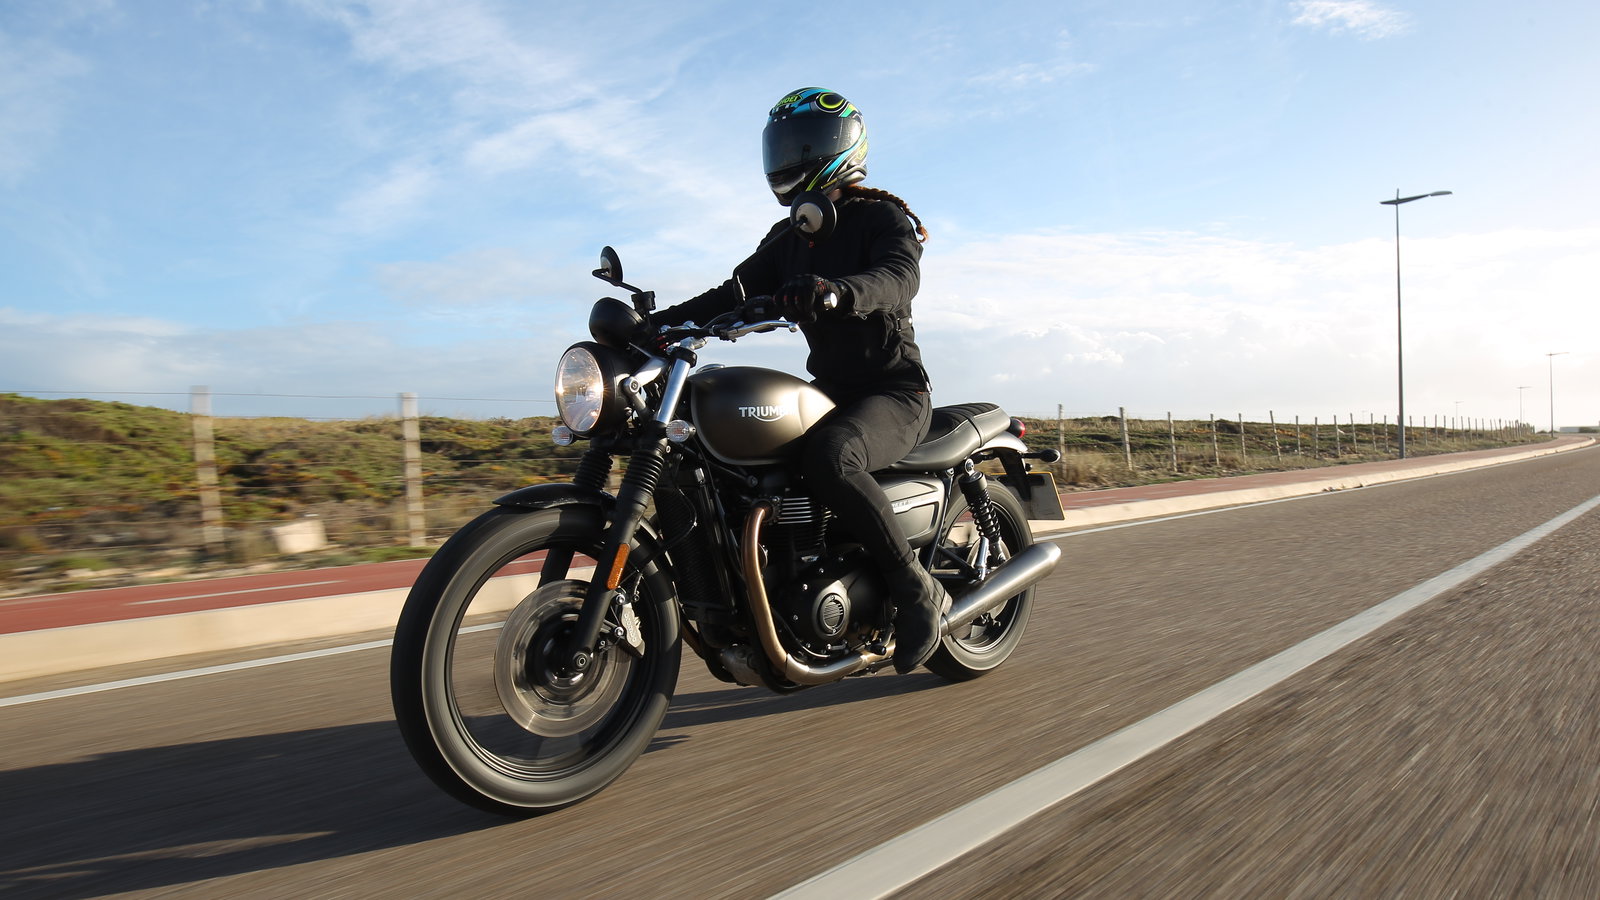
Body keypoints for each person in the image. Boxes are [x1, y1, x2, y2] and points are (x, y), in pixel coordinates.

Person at [654, 87, 946, 674]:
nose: (789, 158)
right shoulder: (789, 239)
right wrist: (653, 327)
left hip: (892, 392)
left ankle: (918, 591)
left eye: (802, 145)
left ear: (840, 148)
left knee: (833, 456)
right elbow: (731, 294)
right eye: (782, 146)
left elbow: (898, 276)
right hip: (828, 393)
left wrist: (841, 291)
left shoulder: (880, 218)